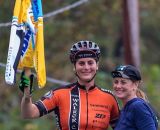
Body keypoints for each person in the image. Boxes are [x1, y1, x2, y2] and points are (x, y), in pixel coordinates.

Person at [19, 40, 120, 130]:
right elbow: (29, 113)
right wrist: (27, 96)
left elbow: (124, 126)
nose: (86, 67)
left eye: (90, 63)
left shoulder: (109, 98)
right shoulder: (59, 94)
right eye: (81, 63)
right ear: (74, 67)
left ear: (97, 66)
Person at [111, 65, 158, 130]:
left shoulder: (138, 106)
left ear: (135, 84)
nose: (118, 86)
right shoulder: (125, 109)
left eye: (123, 82)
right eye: (116, 82)